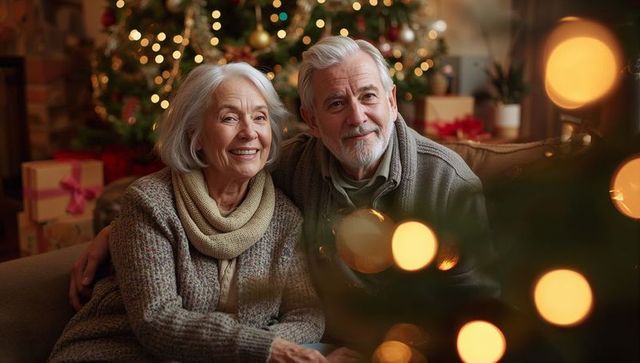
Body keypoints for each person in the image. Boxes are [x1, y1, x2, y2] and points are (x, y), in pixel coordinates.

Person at [69, 36, 498, 358]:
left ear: (391, 99)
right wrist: (120, 228)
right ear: (311, 120)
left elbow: (476, 301)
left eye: (369, 96)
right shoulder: (288, 167)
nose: (357, 116)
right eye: (335, 103)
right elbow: (202, 182)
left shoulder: (445, 181)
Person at [50, 63, 327, 362]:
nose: (249, 132)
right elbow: (156, 320)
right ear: (195, 135)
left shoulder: (284, 216)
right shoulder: (150, 203)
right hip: (120, 351)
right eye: (229, 118)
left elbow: (307, 315)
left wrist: (260, 347)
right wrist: (262, 347)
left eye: (259, 117)